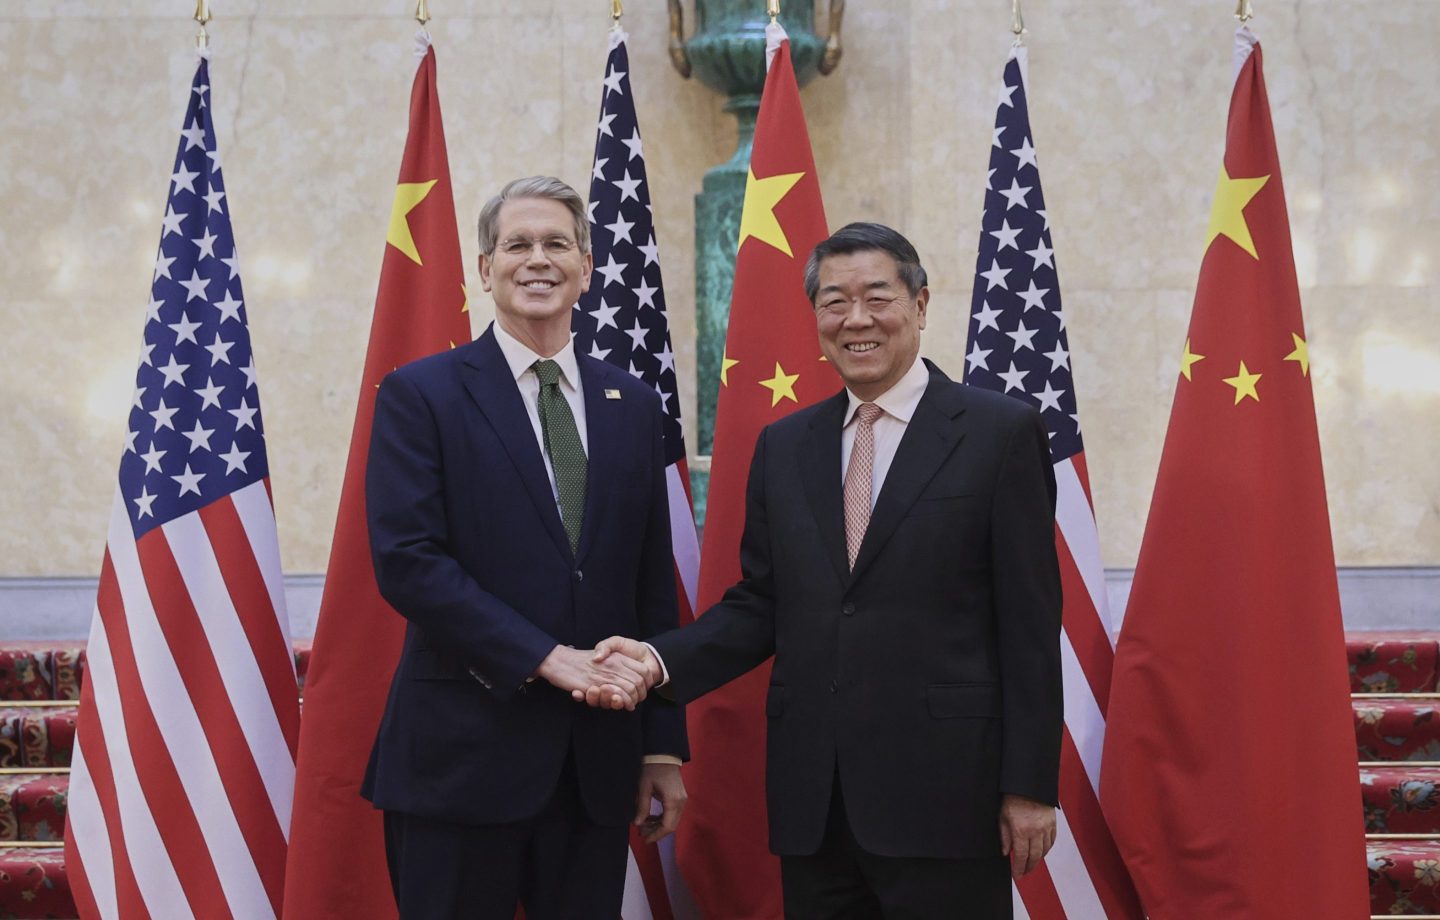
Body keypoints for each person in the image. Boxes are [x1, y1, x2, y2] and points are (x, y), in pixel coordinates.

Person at [594, 222, 1062, 918]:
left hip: (948, 798)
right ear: (816, 318)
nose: (857, 319)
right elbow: (761, 604)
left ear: (921, 304)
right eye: (835, 301)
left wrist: (1030, 787)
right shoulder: (784, 446)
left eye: (878, 296)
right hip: (816, 802)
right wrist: (657, 662)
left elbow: (1029, 624)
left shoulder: (999, 434)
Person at [361, 176, 688, 919]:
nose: (537, 260)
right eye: (517, 244)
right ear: (485, 268)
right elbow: (409, 561)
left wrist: (661, 746)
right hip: (459, 759)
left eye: (556, 244)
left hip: (594, 768)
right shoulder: (422, 394)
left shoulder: (632, 407)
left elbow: (649, 586)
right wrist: (546, 657)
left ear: (586, 267)